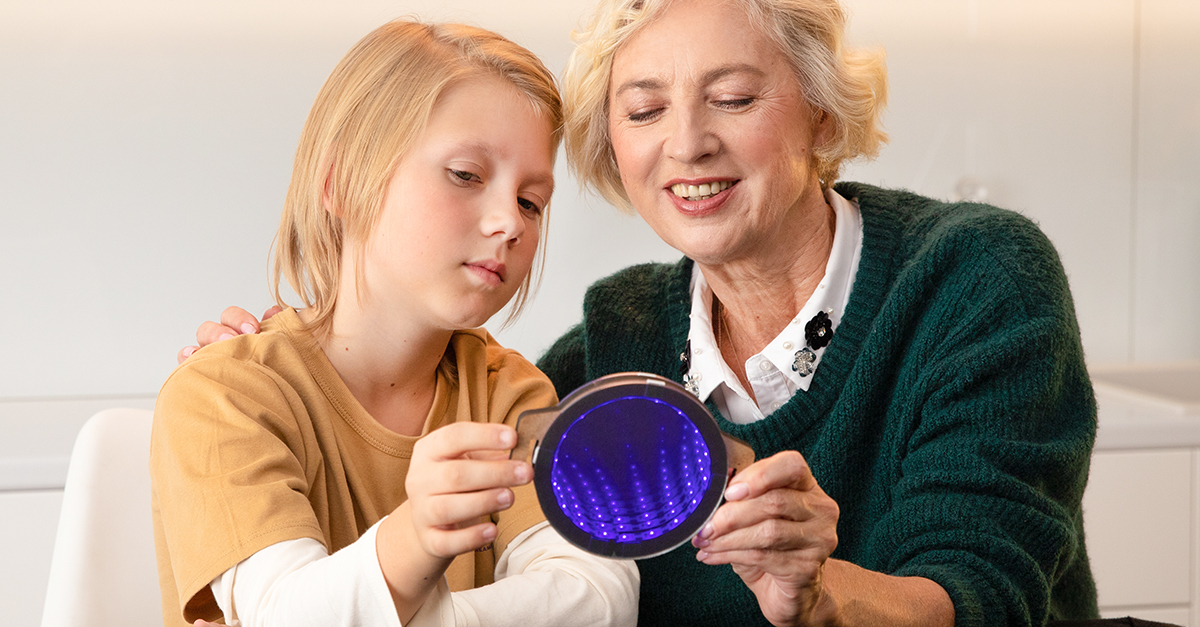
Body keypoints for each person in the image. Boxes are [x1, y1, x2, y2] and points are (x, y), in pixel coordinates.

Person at [183, 0, 1101, 625]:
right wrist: (288, 361)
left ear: (823, 115)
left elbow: (982, 598)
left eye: (734, 98)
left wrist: (818, 595)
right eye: (644, 107)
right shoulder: (601, 349)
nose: (686, 142)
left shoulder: (974, 279)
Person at [152, 19, 638, 627]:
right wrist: (415, 536)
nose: (510, 224)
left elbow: (596, 593)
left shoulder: (512, 394)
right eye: (466, 175)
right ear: (343, 184)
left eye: (530, 201)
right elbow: (286, 614)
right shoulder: (222, 396)